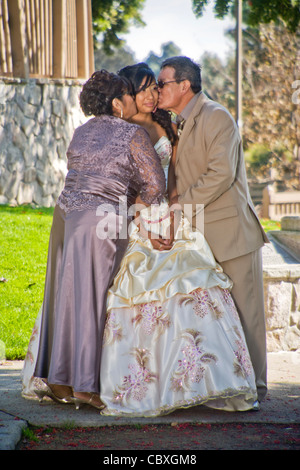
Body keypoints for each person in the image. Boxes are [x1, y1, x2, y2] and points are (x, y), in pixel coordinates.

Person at [99, 63, 258, 417]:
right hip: (146, 218)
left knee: (195, 289)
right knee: (144, 295)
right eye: (142, 89)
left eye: (156, 86)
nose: (152, 93)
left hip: (179, 215)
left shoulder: (173, 123)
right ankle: (148, 383)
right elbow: (122, 185)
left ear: (180, 86)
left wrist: (172, 208)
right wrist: (144, 219)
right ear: (126, 95)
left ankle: (205, 379)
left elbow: (180, 174)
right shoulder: (123, 130)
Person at [21, 70, 166, 410]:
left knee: (65, 294)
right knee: (92, 298)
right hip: (102, 220)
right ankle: (85, 386)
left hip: (65, 216)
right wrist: (132, 210)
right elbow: (155, 187)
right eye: (127, 95)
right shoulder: (133, 134)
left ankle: (58, 380)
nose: (131, 100)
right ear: (117, 103)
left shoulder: (80, 132)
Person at [157, 56, 269, 404]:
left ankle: (257, 389)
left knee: (246, 315)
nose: (158, 90)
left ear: (184, 86)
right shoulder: (178, 123)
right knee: (218, 322)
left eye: (163, 83)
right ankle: (226, 386)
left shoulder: (217, 117)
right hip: (200, 238)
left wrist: (179, 208)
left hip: (232, 235)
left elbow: (220, 174)